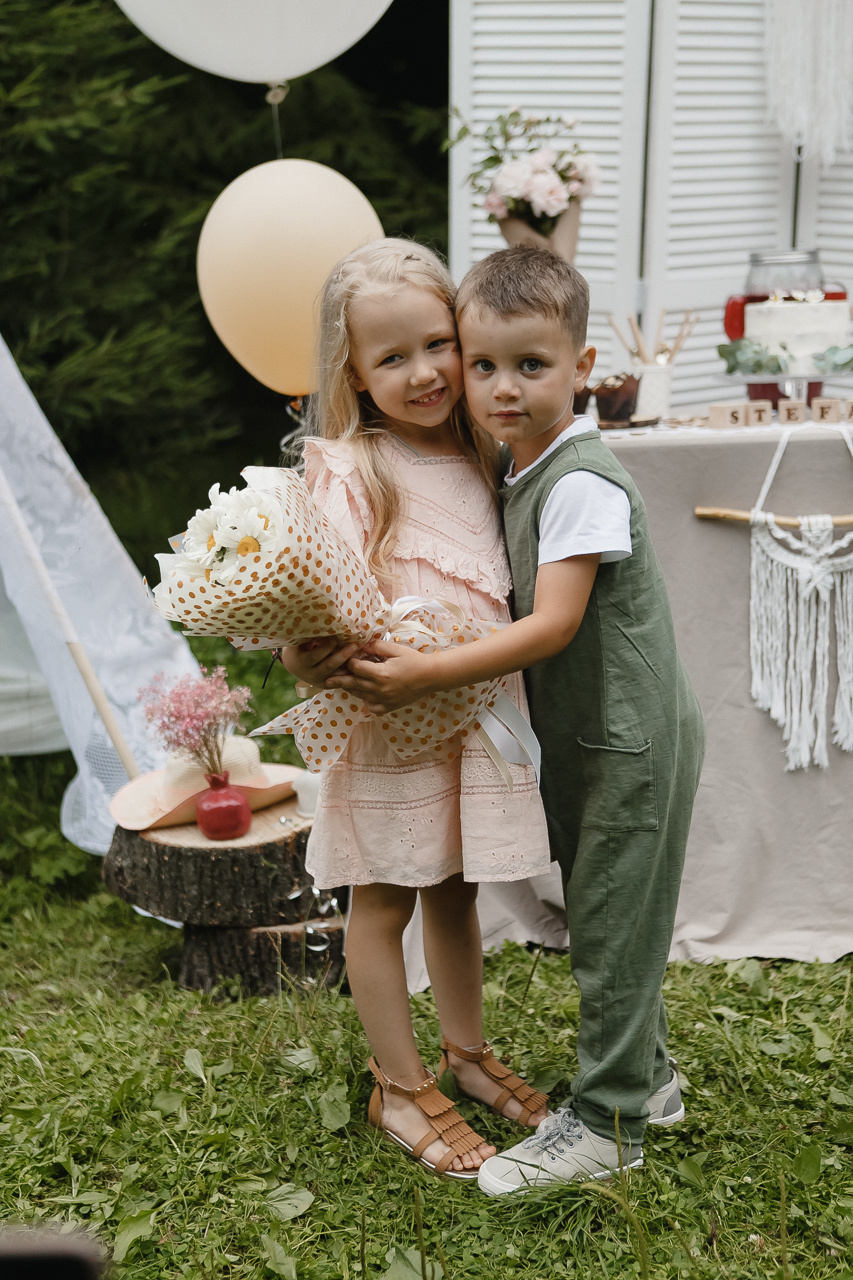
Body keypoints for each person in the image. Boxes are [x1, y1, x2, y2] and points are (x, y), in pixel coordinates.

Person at [328, 246, 706, 1193]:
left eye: (526, 366)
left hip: (621, 738)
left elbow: (554, 623)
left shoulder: (572, 480)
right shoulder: (499, 464)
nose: (492, 387)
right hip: (575, 739)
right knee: (603, 909)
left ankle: (610, 1120)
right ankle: (643, 1081)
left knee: (611, 927)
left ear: (582, 369)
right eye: (483, 362)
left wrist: (427, 673)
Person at [279, 238, 553, 1181]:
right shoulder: (352, 468)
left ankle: (465, 1055)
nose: (424, 373)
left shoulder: (487, 450)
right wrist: (308, 650)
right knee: (384, 893)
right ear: (352, 370)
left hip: (470, 722)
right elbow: (309, 617)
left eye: (437, 345)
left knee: (456, 887)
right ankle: (397, 1084)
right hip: (394, 724)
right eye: (389, 358)